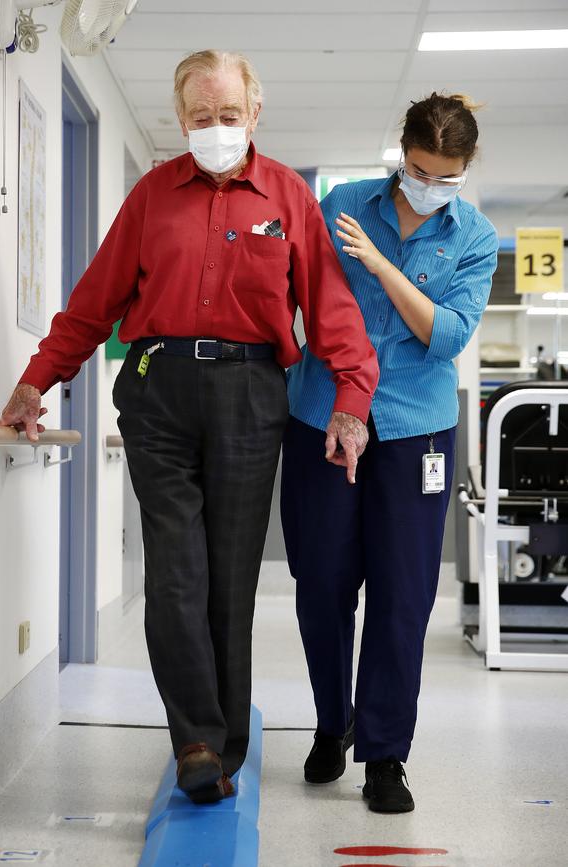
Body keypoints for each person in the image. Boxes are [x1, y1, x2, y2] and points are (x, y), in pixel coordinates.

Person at [0, 50, 378, 804]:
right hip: (157, 386)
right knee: (175, 569)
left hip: (249, 390)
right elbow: (93, 301)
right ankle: (197, 741)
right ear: (180, 120)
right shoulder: (151, 196)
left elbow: (330, 306)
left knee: (229, 579)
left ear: (255, 115)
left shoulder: (289, 198)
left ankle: (225, 741)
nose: (215, 129)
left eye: (228, 116)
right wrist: (36, 380)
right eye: (200, 117)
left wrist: (352, 400)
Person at [281, 92, 498, 813]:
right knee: (322, 584)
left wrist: (379, 266)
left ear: (465, 171)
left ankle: (383, 754)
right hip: (322, 414)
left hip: (415, 430)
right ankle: (330, 720)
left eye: (445, 176)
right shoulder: (343, 202)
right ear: (398, 155)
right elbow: (302, 290)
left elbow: (445, 334)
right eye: (417, 169)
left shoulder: (475, 238)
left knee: (403, 596)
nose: (428, 186)